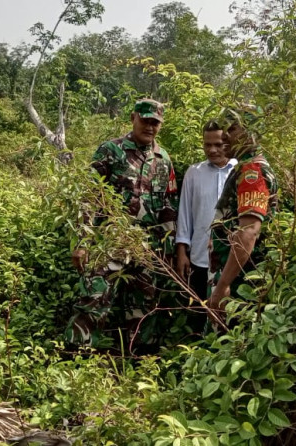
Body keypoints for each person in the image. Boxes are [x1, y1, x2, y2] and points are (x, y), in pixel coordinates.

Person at [67, 98, 179, 347]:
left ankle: (137, 361)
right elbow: (88, 195)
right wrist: (82, 241)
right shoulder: (111, 150)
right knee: (94, 298)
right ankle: (77, 355)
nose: (150, 127)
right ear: (133, 118)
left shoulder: (164, 159)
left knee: (144, 306)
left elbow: (169, 205)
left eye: (155, 123)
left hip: (147, 246)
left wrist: (168, 249)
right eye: (145, 121)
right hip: (109, 241)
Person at [207, 105, 279, 327]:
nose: (224, 135)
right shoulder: (247, 168)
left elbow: (248, 232)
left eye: (233, 128)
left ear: (252, 132)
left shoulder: (252, 172)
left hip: (241, 285)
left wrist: (222, 288)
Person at [175, 120, 237, 301]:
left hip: (231, 260)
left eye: (218, 145)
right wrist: (181, 252)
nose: (212, 150)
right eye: (207, 145)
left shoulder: (240, 170)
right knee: (199, 312)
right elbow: (185, 214)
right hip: (199, 258)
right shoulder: (194, 173)